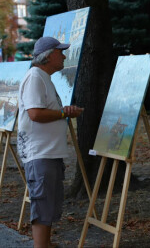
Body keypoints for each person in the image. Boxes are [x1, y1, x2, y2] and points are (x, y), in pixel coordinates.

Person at [18, 37, 84, 248]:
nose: (64, 55)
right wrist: (64, 112)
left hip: (48, 152)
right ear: (48, 55)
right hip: (40, 153)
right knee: (43, 205)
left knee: (48, 205)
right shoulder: (35, 77)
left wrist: (64, 112)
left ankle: (45, 243)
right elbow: (35, 113)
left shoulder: (42, 77)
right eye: (60, 51)